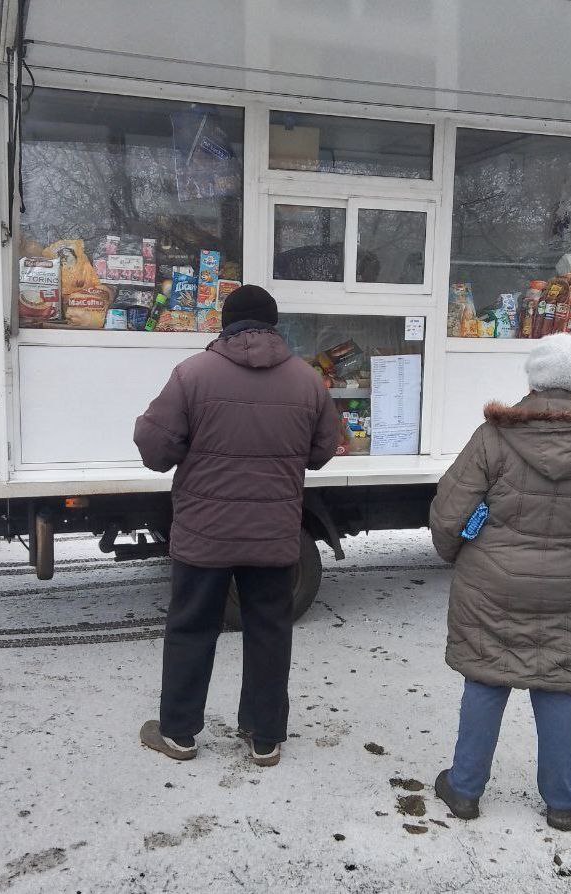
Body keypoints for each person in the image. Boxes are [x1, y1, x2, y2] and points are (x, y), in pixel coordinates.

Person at [429, 333, 571, 831]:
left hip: (491, 585)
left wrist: (456, 554)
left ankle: (464, 788)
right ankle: (563, 801)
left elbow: (449, 513)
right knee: (559, 684)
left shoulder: (493, 438)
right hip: (569, 590)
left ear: (534, 378)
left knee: (487, 675)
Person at [134, 284, 340, 767]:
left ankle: (178, 733)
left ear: (226, 324)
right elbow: (322, 450)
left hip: (204, 533)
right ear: (274, 325)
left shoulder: (192, 374)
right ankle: (265, 738)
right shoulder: (307, 381)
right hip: (273, 532)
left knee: (191, 627)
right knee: (270, 630)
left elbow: (155, 448)